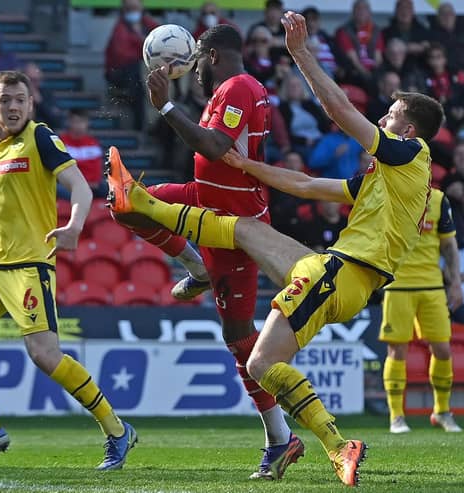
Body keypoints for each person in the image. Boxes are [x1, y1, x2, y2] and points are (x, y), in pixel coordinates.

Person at [105, 11, 445, 486]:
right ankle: (321, 444)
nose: (383, 120)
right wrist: (244, 164)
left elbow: (342, 113)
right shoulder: (388, 177)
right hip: (340, 275)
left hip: (342, 273)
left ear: (408, 133)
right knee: (244, 234)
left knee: (261, 363)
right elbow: (303, 184)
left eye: (391, 117)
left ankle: (335, 444)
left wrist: (301, 53)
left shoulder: (409, 155)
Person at [114, 24, 304, 481]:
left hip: (234, 226)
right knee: (126, 202)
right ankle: (193, 265)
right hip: (204, 199)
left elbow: (216, 147)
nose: (193, 68)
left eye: (197, 59)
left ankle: (280, 438)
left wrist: (164, 105)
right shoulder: (228, 90)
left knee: (239, 338)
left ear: (213, 56)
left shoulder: (238, 88)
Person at [0, 70, 137, 469]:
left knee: (44, 354)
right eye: (5, 100)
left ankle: (117, 430)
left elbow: (78, 185)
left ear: (31, 103)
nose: (14, 106)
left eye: (21, 99)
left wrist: (74, 226)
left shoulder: (40, 137)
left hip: (29, 267)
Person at [381, 187, 463, 434]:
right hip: (398, 284)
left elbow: (448, 243)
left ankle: (442, 412)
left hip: (432, 284)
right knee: (397, 350)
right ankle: (396, 417)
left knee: (443, 349)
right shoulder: (390, 194)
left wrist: (455, 282)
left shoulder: (438, 199)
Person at [103, 0, 158, 131]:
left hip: (144, 69)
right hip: (120, 72)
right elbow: (122, 55)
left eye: (135, 8)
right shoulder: (120, 28)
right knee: (138, 81)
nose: (133, 12)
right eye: (130, 8)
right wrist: (142, 42)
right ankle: (140, 127)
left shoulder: (147, 23)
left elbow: (161, 37)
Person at [58, 108, 107, 199]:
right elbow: (62, 170)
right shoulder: (60, 142)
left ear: (87, 123)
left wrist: (88, 184)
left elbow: (96, 170)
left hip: (92, 186)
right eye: (75, 122)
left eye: (81, 122)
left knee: (113, 189)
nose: (78, 125)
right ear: (69, 122)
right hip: (70, 187)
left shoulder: (93, 143)